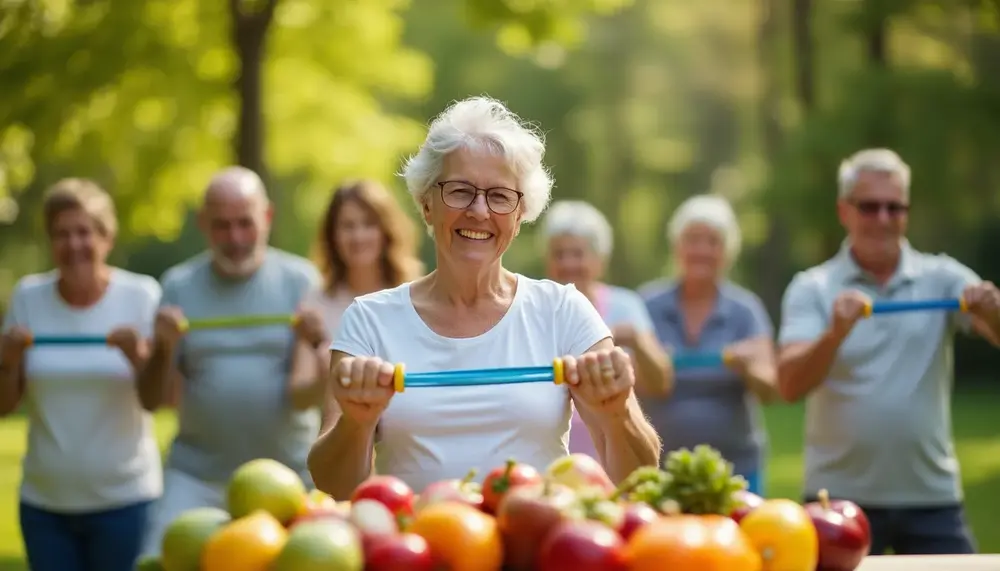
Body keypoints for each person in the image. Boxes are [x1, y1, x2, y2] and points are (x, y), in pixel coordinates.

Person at [308, 96, 661, 498]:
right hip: (416, 552)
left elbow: (639, 477)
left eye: (499, 196)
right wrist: (355, 423)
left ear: (519, 214)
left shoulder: (563, 311)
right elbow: (332, 486)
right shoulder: (369, 320)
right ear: (426, 203)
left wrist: (617, 417)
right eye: (460, 191)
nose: (479, 211)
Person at [777, 148, 1000, 555]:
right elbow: (790, 385)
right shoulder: (813, 287)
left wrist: (993, 310)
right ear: (844, 211)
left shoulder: (943, 276)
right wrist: (834, 334)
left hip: (932, 497)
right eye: (870, 207)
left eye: (895, 207)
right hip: (837, 500)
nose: (883, 218)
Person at [138, 167, 328, 558]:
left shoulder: (301, 281)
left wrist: (319, 346)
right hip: (196, 477)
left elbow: (306, 398)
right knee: (155, 560)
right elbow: (154, 399)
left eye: (246, 223)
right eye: (222, 226)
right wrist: (161, 348)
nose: (236, 238)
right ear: (203, 224)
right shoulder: (177, 285)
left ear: (268, 218)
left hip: (289, 476)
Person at [0, 179, 162, 571]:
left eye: (84, 232)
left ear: (106, 238)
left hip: (125, 502)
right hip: (45, 505)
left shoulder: (141, 296)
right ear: (50, 241)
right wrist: (6, 360)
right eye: (62, 234)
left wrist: (139, 357)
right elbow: (5, 405)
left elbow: (159, 399)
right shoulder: (28, 297)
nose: (73, 245)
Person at [639, 194, 778, 496]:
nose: (701, 250)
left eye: (712, 242)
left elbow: (769, 391)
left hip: (736, 471)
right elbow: (632, 385)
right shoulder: (646, 305)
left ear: (728, 251)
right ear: (677, 246)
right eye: (692, 239)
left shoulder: (746, 310)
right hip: (660, 470)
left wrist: (750, 367)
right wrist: (652, 363)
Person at [540, 199, 672, 460]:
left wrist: (636, 340)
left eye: (577, 254)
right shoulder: (535, 309)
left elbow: (661, 383)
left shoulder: (625, 306)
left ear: (599, 261)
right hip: (552, 460)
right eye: (559, 254)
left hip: (612, 459)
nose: (568, 264)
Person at [304, 179, 424, 429]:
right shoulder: (315, 302)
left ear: (386, 231)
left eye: (368, 224)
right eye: (347, 226)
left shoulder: (418, 295)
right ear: (332, 235)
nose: (358, 236)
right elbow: (298, 396)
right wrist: (324, 368)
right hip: (343, 441)